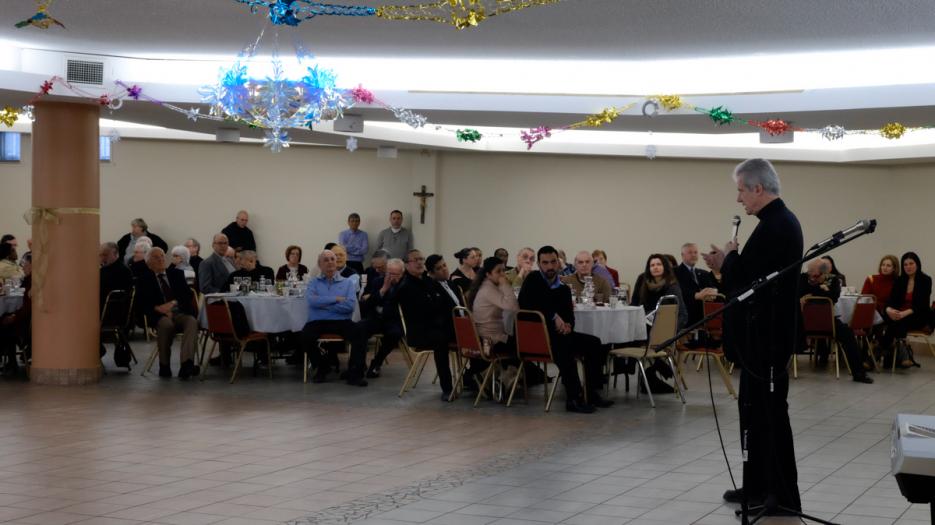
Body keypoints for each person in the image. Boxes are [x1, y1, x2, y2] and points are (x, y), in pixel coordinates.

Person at [703, 158, 803, 514]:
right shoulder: (774, 222)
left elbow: (747, 285)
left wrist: (728, 260)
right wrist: (725, 264)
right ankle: (758, 485)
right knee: (754, 414)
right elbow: (751, 278)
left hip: (768, 338)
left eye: (741, 190)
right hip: (760, 339)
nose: (738, 199)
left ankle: (780, 496)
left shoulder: (778, 225)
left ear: (757, 188)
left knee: (769, 416)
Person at [518, 246, 613, 413]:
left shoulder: (562, 288)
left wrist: (568, 325)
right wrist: (554, 317)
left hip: (559, 334)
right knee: (564, 346)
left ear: (558, 263)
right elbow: (528, 303)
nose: (549, 266)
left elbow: (569, 315)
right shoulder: (533, 280)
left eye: (553, 262)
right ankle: (573, 397)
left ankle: (590, 393)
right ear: (539, 264)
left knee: (594, 343)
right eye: (545, 263)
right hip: (537, 336)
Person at [798, 259, 873, 382]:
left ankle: (859, 373)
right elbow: (797, 293)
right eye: (810, 275)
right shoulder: (802, 278)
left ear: (824, 274)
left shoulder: (832, 279)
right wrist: (819, 290)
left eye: (816, 276)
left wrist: (811, 294)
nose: (812, 279)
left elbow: (833, 297)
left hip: (827, 322)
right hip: (803, 321)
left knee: (848, 334)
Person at [300, 250, 368, 386]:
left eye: (332, 259)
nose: (330, 262)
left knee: (360, 333)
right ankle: (322, 366)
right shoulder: (314, 282)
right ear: (320, 264)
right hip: (318, 321)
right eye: (326, 260)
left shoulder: (347, 283)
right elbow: (312, 301)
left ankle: (354, 373)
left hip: (342, 321)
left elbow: (349, 306)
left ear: (336, 263)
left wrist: (324, 305)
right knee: (304, 336)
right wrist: (336, 299)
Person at [395, 250, 457, 400]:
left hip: (437, 326)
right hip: (420, 332)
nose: (420, 262)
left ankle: (471, 378)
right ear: (407, 265)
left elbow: (441, 305)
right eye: (415, 260)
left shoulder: (428, 281)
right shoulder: (406, 286)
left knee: (471, 334)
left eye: (421, 259)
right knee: (441, 340)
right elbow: (423, 312)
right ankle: (447, 388)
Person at [135, 248, 199, 379]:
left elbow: (187, 295)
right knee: (166, 324)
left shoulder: (176, 274)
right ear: (148, 263)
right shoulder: (144, 278)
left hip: (179, 312)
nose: (161, 259)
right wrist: (158, 308)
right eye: (156, 257)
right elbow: (141, 302)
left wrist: (173, 303)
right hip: (159, 316)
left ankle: (187, 364)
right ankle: (164, 365)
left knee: (191, 322)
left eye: (162, 256)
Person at [880, 252, 933, 367]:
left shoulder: (926, 280)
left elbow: (922, 304)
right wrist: (889, 309)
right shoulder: (900, 280)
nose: (908, 267)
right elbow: (891, 299)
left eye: (911, 263)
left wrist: (903, 314)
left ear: (917, 264)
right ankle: (903, 354)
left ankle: (879, 349)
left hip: (917, 315)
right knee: (889, 318)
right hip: (899, 315)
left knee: (896, 322)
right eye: (905, 264)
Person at [361, 258, 405, 378]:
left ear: (402, 274)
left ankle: (377, 362)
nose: (392, 277)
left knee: (394, 334)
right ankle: (358, 365)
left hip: (393, 320)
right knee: (360, 328)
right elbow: (368, 303)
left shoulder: (405, 285)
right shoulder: (377, 281)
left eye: (396, 274)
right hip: (376, 317)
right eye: (389, 274)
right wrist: (383, 290)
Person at [675, 243, 720, 326]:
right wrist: (696, 295)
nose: (693, 255)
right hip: (686, 318)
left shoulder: (703, 273)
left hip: (703, 318)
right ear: (682, 255)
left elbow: (714, 287)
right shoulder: (675, 272)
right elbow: (678, 290)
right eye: (690, 252)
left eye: (695, 252)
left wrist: (714, 291)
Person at [0, 254, 30, 376]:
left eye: (25, 265)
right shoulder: (28, 280)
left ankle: (11, 363)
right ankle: (11, 362)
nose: (22, 268)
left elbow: (27, 307)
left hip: (24, 323)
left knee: (4, 325)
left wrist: (14, 317)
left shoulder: (31, 282)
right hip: (23, 319)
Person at [99, 242, 132, 307]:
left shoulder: (123, 271)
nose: (102, 258)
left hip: (112, 307)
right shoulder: (104, 268)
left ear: (115, 254)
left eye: (105, 255)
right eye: (100, 255)